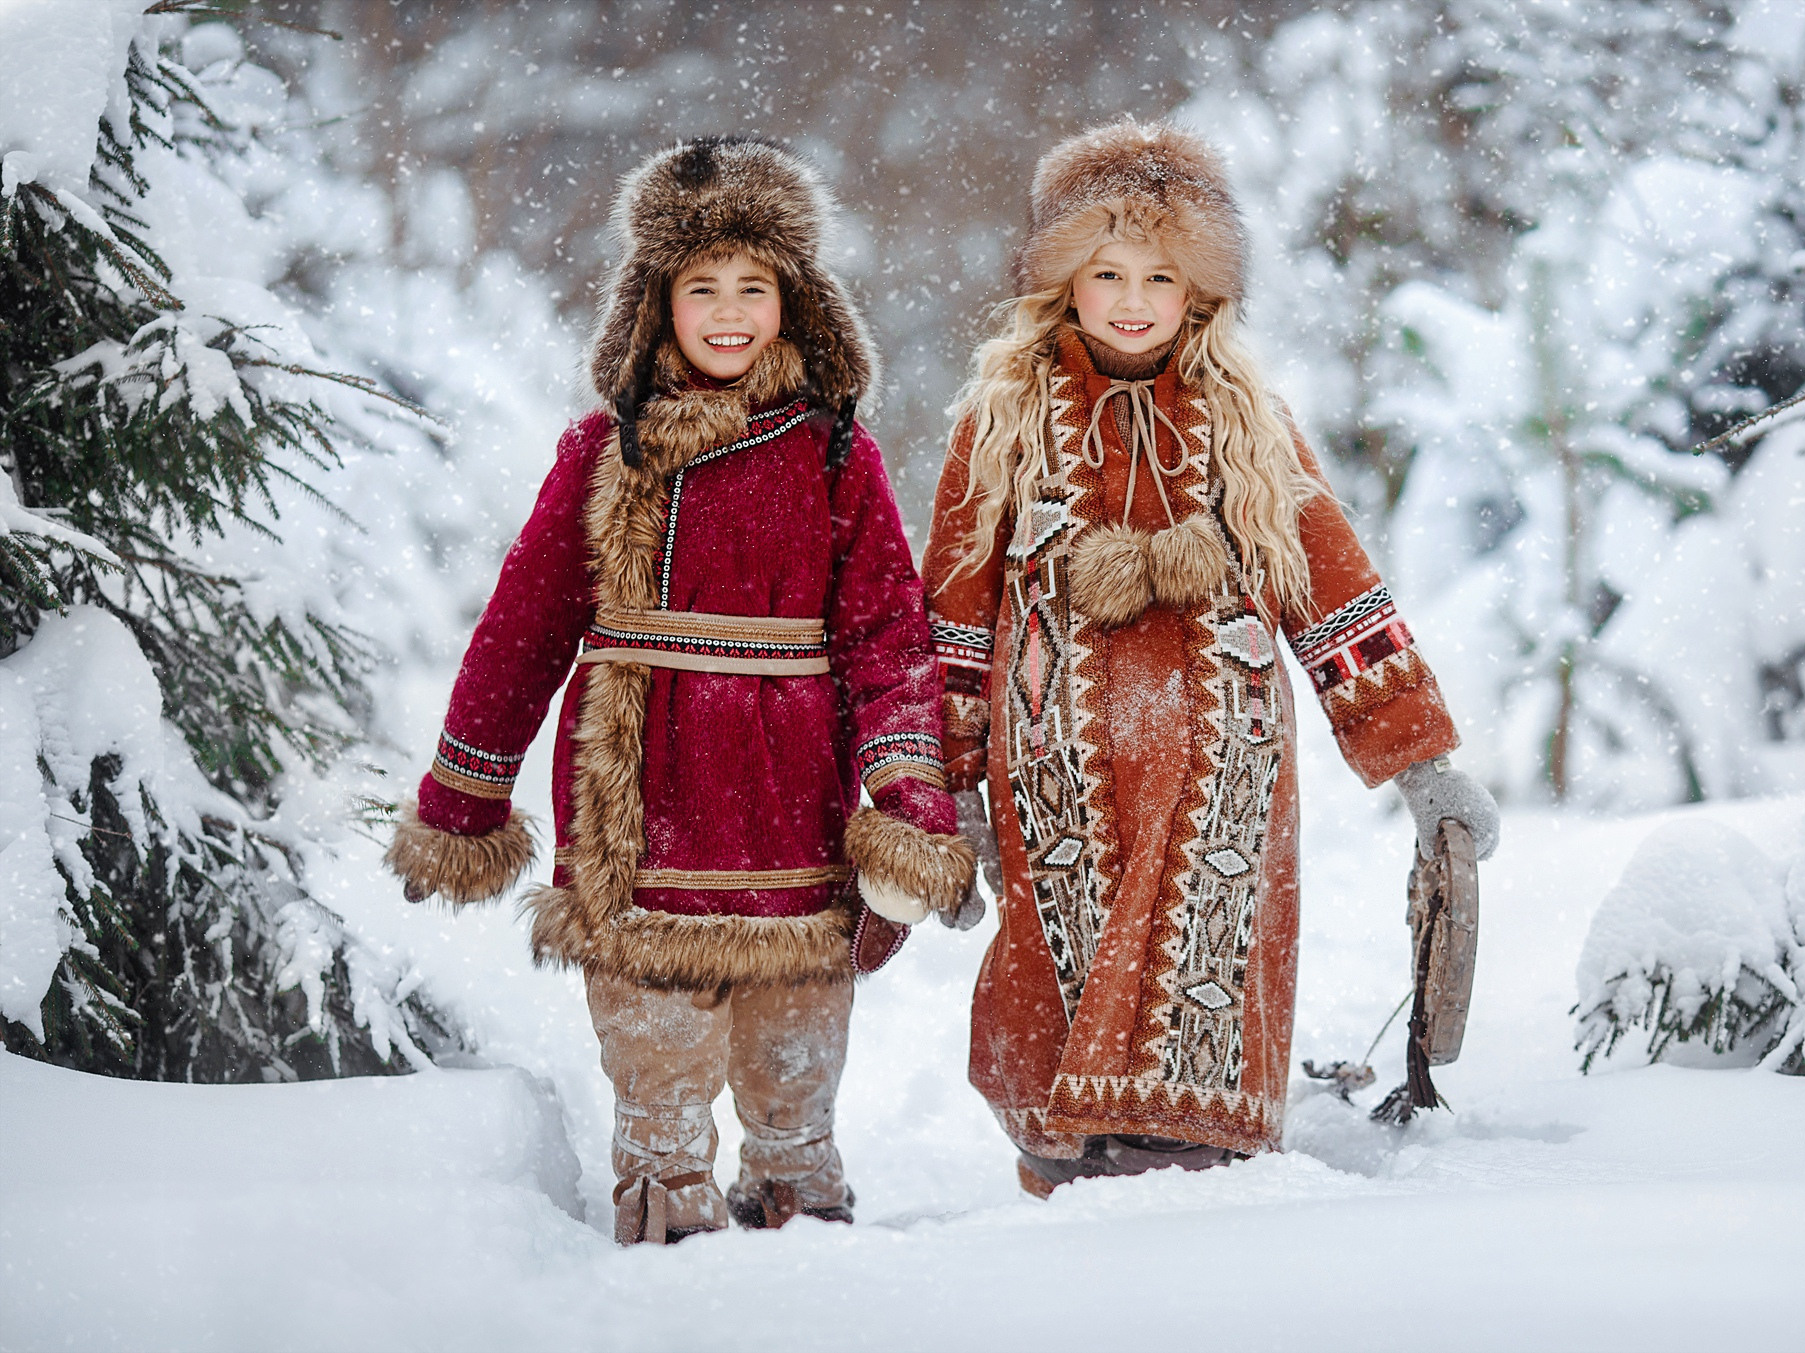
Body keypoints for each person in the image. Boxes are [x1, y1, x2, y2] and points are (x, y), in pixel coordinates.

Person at [385, 137, 975, 1243]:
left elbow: (889, 639)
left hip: (789, 788)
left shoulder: (836, 452)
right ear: (654, 304)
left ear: (796, 300)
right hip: (641, 789)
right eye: (701, 288)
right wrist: (462, 801)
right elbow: (523, 630)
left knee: (796, 1028)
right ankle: (663, 1209)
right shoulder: (602, 452)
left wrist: (907, 801)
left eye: (753, 287)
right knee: (652, 1036)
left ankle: (800, 1195)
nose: (729, 313)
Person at [922, 119, 1500, 1198]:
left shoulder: (1247, 421)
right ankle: (1063, 1163)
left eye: (1160, 273)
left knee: (1204, 957)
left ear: (1202, 290)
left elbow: (1335, 593)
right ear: (1063, 281)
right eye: (1104, 272)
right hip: (1055, 770)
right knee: (1054, 972)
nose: (1132, 298)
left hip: (1222, 766)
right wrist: (941, 795)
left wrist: (1420, 763)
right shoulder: (1000, 422)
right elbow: (951, 622)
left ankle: (1192, 1164)